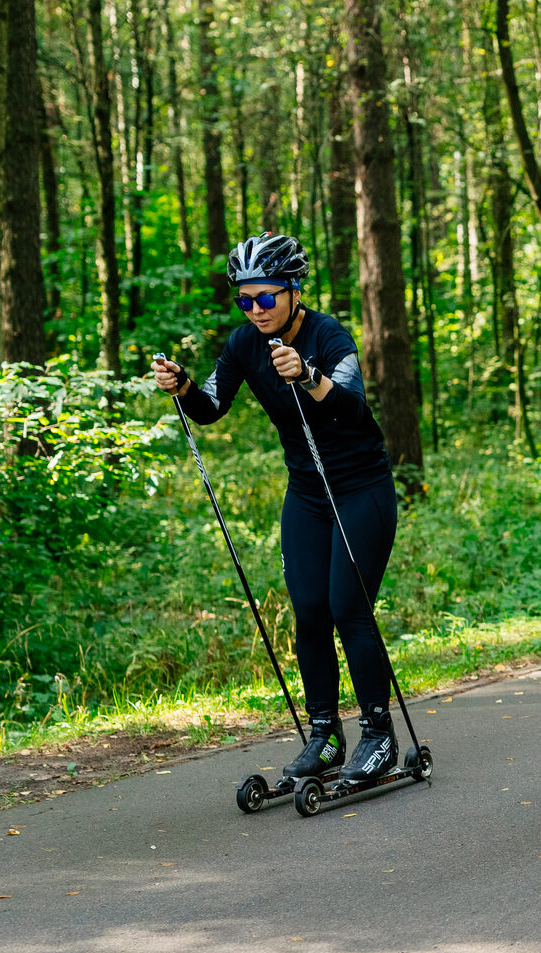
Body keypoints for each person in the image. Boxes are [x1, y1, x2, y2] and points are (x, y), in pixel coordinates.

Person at [150, 233, 401, 783]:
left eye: (266, 298)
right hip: (307, 494)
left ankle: (379, 735)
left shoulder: (327, 335)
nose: (256, 310)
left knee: (347, 608)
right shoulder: (243, 344)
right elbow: (211, 406)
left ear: (292, 291)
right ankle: (326, 735)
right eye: (245, 300)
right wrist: (182, 384)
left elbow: (353, 410)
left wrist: (308, 378)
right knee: (308, 610)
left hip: (360, 489)